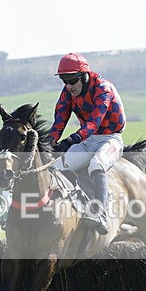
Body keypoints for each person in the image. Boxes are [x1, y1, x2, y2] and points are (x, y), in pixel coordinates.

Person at [50, 53, 125, 235]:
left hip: (110, 138)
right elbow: (60, 119)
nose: (68, 86)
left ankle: (102, 214)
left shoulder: (102, 88)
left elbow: (94, 122)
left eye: (72, 80)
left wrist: (70, 140)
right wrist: (50, 142)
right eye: (64, 81)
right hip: (88, 140)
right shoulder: (68, 92)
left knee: (96, 165)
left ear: (84, 76)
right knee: (56, 168)